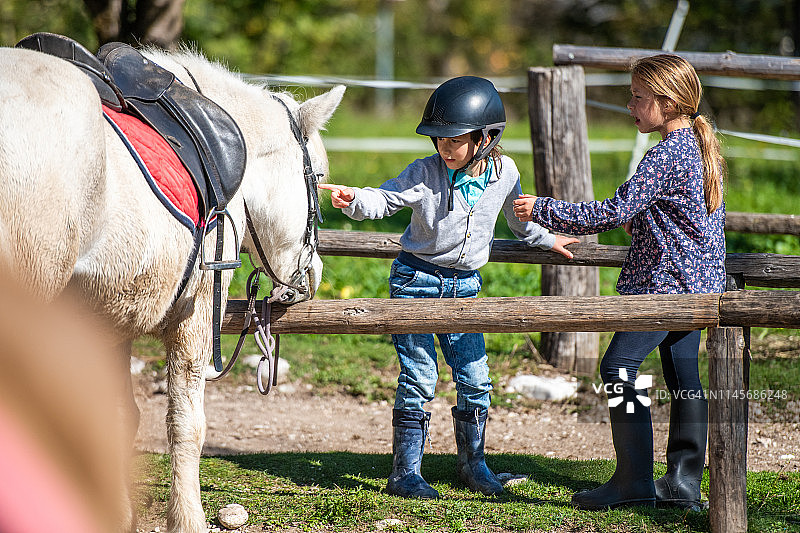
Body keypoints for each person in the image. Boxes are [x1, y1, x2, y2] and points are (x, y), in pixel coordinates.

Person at [320, 76, 578, 499]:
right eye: (439, 139)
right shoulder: (425, 172)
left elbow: (519, 222)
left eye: (454, 140)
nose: (444, 147)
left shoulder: (506, 173)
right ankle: (405, 473)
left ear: (485, 138)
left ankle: (473, 465)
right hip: (415, 281)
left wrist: (548, 240)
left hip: (465, 288)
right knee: (420, 377)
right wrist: (355, 199)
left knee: (476, 378)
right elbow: (385, 198)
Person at [513, 54, 726, 511]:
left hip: (666, 288)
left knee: (617, 368)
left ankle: (633, 481)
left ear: (668, 103)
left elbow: (611, 212)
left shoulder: (665, 154)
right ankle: (683, 483)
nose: (629, 105)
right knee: (683, 376)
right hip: (699, 285)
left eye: (637, 97)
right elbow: (687, 218)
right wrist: (646, 222)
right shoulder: (697, 147)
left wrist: (543, 209)